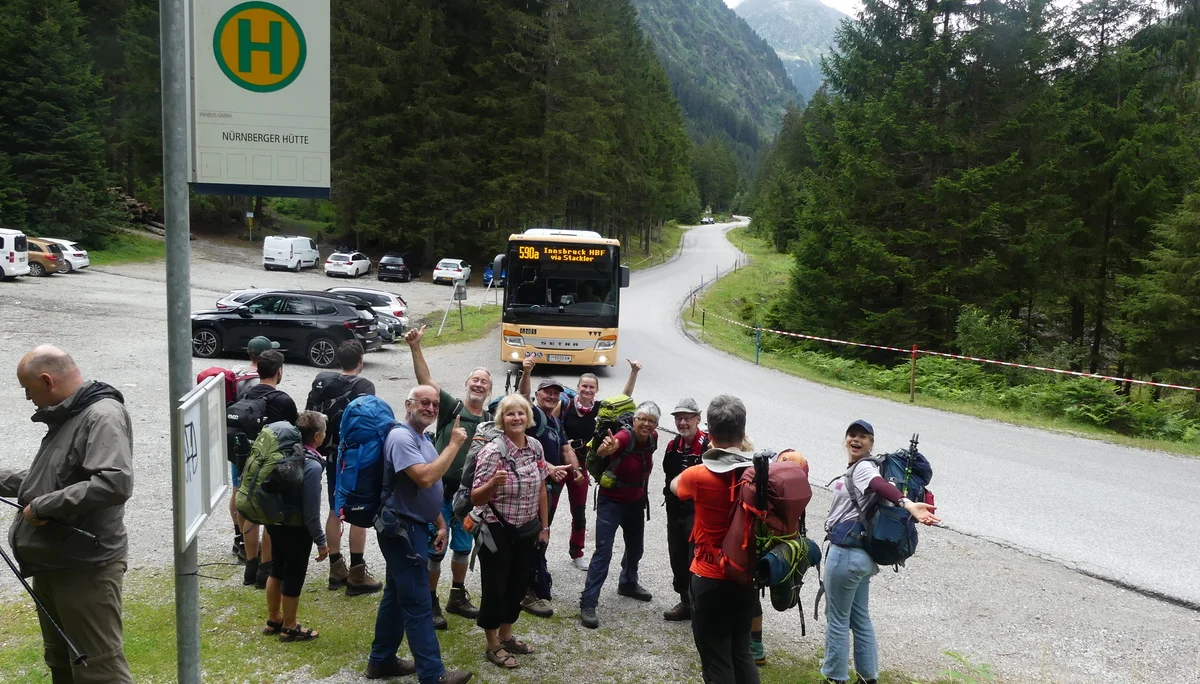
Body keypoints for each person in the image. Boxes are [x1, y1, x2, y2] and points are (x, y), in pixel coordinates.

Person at [0, 345, 134, 683]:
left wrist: (45, 506)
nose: (28, 399)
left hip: (84, 570)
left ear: (46, 380)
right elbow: (47, 481)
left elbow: (114, 482)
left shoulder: (101, 415)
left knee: (98, 670)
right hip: (54, 564)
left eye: (27, 390)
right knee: (61, 661)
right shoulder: (70, 415)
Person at [365, 385, 473, 684]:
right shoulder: (401, 437)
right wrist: (453, 445)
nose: (431, 408)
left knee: (396, 594)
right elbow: (425, 477)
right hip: (402, 531)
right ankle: (433, 675)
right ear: (408, 403)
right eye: (424, 402)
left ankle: (381, 661)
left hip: (413, 527)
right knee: (417, 602)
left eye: (435, 404)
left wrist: (438, 521)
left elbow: (425, 485)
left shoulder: (421, 438)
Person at [821, 420, 939, 684]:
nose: (856, 440)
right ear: (845, 439)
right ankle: (868, 678)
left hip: (846, 554)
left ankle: (834, 678)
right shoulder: (864, 468)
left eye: (863, 437)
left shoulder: (865, 468)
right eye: (852, 435)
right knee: (860, 618)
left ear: (871, 444)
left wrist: (907, 504)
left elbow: (879, 485)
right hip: (862, 557)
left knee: (837, 619)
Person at [469, 394, 570, 669]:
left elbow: (540, 488)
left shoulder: (536, 447)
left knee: (517, 585)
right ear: (502, 419)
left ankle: (506, 634)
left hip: (527, 528)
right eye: (510, 414)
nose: (516, 418)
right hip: (495, 529)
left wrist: (545, 527)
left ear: (529, 418)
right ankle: (492, 643)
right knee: (495, 586)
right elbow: (476, 498)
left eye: (521, 414)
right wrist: (493, 484)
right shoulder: (492, 451)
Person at [669, 395, 758, 684]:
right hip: (745, 576)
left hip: (709, 576)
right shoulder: (756, 475)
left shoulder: (698, 475)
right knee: (741, 652)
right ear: (743, 433)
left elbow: (674, 486)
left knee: (716, 657)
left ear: (711, 433)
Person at [405, 326, 487, 629]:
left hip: (467, 496)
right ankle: (430, 601)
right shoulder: (451, 408)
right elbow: (426, 383)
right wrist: (416, 347)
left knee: (463, 547)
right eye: (475, 380)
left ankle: (456, 595)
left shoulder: (490, 420)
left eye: (484, 382)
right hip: (440, 491)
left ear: (488, 390)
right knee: (435, 549)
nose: (479, 384)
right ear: (467, 384)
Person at [305, 339, 383, 596]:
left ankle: (336, 569)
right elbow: (369, 421)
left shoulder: (323, 381)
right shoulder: (365, 385)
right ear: (360, 360)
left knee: (333, 509)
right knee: (358, 512)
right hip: (356, 458)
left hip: (329, 454)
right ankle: (357, 574)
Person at [578, 400, 660, 629]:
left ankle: (628, 583)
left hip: (635, 502)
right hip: (611, 501)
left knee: (636, 548)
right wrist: (607, 447)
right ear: (634, 420)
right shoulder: (624, 437)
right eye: (641, 419)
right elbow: (605, 449)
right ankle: (588, 602)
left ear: (656, 425)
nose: (645, 424)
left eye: (651, 421)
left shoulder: (653, 439)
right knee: (603, 552)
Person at [515, 358, 585, 618]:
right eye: (548, 392)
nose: (552, 396)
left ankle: (533, 580)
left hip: (550, 492)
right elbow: (522, 396)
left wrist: (576, 471)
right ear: (538, 394)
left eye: (556, 394)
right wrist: (527, 371)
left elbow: (566, 449)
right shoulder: (532, 416)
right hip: (532, 489)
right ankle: (524, 591)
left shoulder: (556, 424)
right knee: (529, 535)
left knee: (540, 535)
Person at [557, 359, 642, 570]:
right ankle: (539, 547)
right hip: (560, 463)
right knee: (546, 507)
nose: (587, 390)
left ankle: (577, 551)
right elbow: (552, 425)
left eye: (591, 387)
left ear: (596, 390)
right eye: (584, 386)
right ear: (578, 387)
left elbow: (625, 398)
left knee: (579, 510)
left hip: (583, 466)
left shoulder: (600, 409)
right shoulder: (565, 405)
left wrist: (633, 372)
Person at [261, 411, 329, 642]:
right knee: (294, 573)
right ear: (317, 436)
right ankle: (290, 626)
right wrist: (321, 541)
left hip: (275, 522)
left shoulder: (284, 453)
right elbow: (311, 512)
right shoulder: (312, 465)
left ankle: (274, 619)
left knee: (277, 568)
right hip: (296, 529)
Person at [241, 349, 297, 589]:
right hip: (272, 466)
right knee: (271, 516)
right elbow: (295, 432)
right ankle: (266, 569)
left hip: (247, 461)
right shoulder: (283, 400)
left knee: (251, 512)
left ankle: (250, 565)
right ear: (279, 372)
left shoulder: (245, 394)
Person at [661, 398, 709, 622]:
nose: (682, 423)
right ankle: (685, 601)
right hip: (675, 510)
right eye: (678, 418)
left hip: (698, 512)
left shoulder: (709, 446)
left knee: (696, 559)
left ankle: (700, 607)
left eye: (687, 418)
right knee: (677, 556)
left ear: (698, 419)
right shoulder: (673, 446)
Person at [229, 335, 274, 561]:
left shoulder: (236, 373)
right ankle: (251, 547)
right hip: (254, 443)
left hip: (234, 440)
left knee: (237, 488)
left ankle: (238, 537)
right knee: (253, 495)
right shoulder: (259, 381)